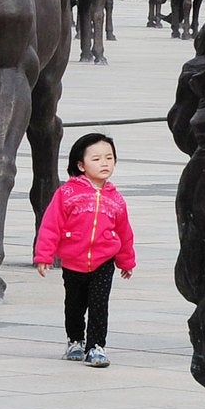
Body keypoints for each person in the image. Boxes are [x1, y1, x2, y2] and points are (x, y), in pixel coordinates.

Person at [34, 132, 136, 367]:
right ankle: (75, 340)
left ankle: (96, 347)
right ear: (80, 165)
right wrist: (45, 255)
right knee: (74, 304)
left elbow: (124, 232)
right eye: (97, 159)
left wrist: (126, 261)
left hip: (103, 261)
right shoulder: (67, 194)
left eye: (109, 158)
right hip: (73, 261)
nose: (104, 163)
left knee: (99, 305)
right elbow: (51, 225)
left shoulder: (116, 199)